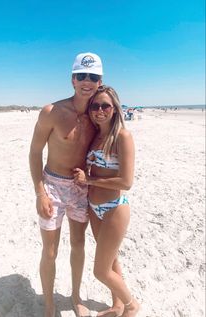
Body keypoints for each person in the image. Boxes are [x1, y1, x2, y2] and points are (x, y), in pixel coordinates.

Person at [29, 52, 103, 317]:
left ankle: (75, 297)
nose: (87, 81)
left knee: (78, 245)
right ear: (73, 79)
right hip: (52, 186)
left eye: (93, 77)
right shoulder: (52, 111)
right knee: (50, 251)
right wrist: (40, 193)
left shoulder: (99, 115)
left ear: (99, 81)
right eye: (82, 76)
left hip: (81, 187)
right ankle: (49, 306)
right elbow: (35, 152)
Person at [73, 85, 140, 317]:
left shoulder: (122, 136)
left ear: (115, 108)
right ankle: (117, 305)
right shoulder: (96, 135)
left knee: (100, 271)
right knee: (111, 260)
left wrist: (90, 180)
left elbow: (126, 182)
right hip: (94, 207)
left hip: (114, 208)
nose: (99, 110)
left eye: (105, 105)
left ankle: (131, 305)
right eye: (95, 105)